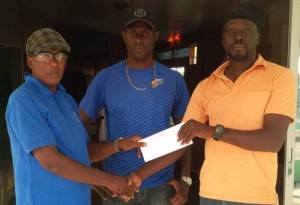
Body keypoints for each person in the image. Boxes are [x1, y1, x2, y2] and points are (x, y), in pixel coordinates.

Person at [177, 2, 296, 205]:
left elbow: (272, 140)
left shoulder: (280, 77)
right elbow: (183, 135)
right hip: (210, 193)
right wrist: (143, 162)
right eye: (231, 31)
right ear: (223, 40)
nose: (238, 36)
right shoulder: (207, 85)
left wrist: (213, 131)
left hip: (255, 197)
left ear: (258, 38)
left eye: (246, 31)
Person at [5, 28, 141, 205]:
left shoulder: (66, 99)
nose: (54, 62)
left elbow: (84, 151)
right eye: (45, 55)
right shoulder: (23, 99)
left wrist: (120, 145)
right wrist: (108, 180)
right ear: (30, 60)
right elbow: (51, 161)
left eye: (60, 56)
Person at [79, 7, 191, 205]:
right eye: (133, 32)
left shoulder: (173, 79)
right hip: (117, 185)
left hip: (161, 185)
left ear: (155, 36)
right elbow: (79, 123)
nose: (139, 38)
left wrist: (185, 180)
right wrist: (89, 173)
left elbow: (188, 132)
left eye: (145, 33)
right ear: (124, 36)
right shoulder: (106, 78)